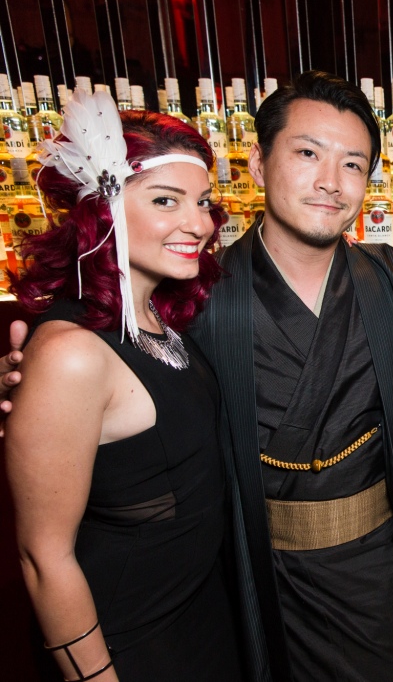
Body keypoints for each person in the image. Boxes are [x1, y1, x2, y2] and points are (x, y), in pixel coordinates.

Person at [190, 71, 393, 681]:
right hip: (262, 574)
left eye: (353, 164)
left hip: (376, 571)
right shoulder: (196, 297)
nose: (331, 181)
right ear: (257, 164)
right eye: (308, 154)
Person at [5, 92, 243, 681]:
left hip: (200, 622)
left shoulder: (161, 319)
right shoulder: (70, 353)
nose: (199, 224)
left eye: (203, 202)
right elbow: (43, 557)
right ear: (102, 210)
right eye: (166, 200)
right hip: (129, 644)